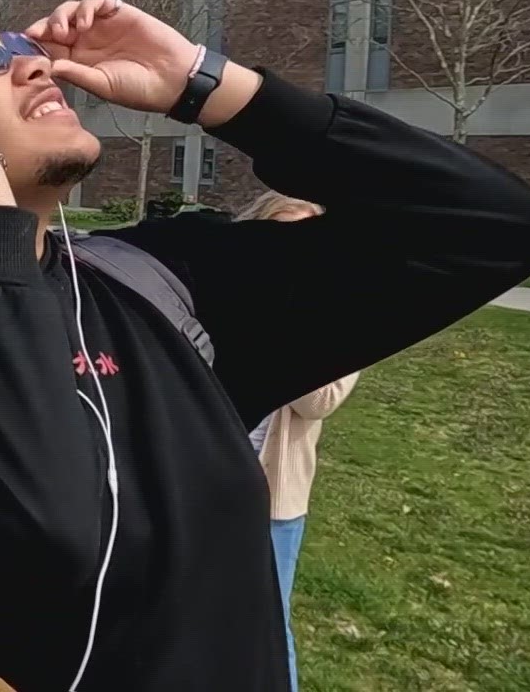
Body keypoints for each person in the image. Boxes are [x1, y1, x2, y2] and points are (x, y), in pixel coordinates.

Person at [0, 0, 530, 691]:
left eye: (24, 45)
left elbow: (493, 229)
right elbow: (51, 528)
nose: (35, 63)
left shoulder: (158, 284)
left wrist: (208, 85)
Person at [241, 191, 356, 692]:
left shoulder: (342, 319)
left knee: (265, 621)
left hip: (273, 503)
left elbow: (321, 401)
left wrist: (283, 320)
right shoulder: (222, 295)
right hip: (201, 484)